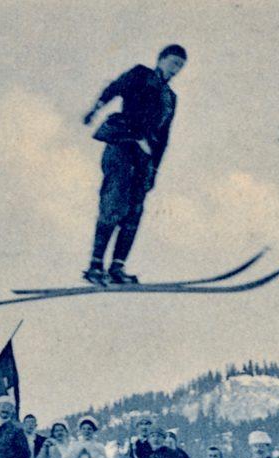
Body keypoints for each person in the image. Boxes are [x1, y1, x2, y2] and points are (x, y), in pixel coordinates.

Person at [81, 44, 187, 285]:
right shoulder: (141, 74)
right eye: (173, 62)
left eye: (180, 66)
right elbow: (114, 88)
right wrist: (95, 109)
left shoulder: (170, 98)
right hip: (122, 144)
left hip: (144, 157)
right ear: (161, 59)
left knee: (134, 211)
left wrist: (154, 171)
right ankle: (95, 265)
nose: (176, 69)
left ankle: (117, 267)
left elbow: (163, 138)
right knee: (114, 203)